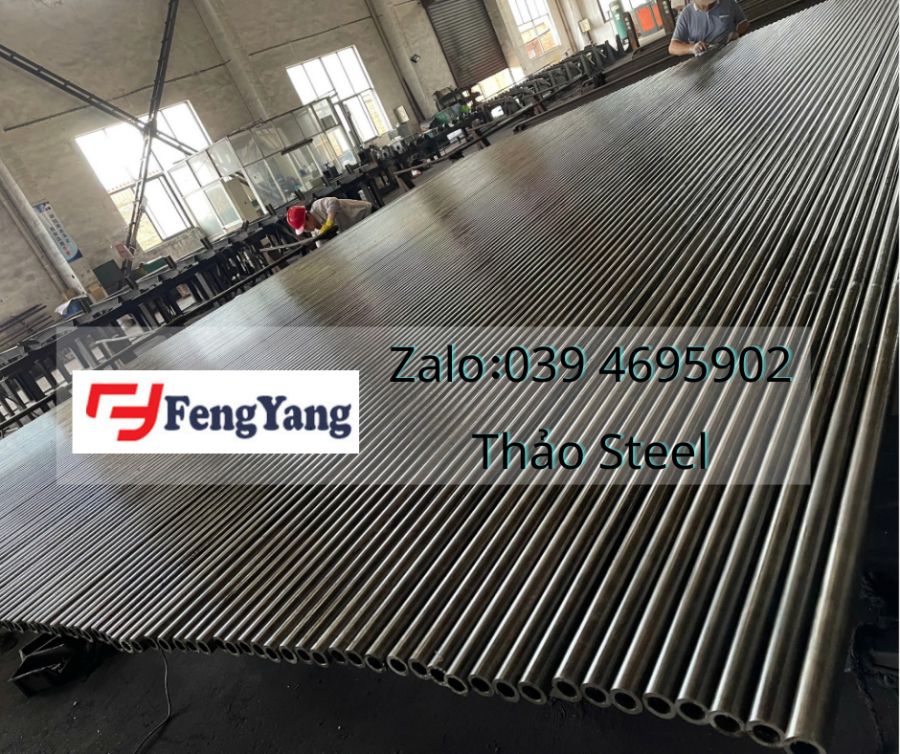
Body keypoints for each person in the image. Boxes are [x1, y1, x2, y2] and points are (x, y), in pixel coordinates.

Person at [668, 0, 749, 57]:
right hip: (706, 64)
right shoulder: (686, 14)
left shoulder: (728, 2)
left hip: (732, 53)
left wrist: (737, 33)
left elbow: (743, 23)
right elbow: (673, 47)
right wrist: (692, 47)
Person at [286, 196, 373, 240]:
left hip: (368, 215)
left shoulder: (318, 206)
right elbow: (322, 248)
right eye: (304, 230)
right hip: (357, 228)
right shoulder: (316, 233)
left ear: (308, 215)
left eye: (305, 226)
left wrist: (329, 221)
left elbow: (333, 201)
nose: (306, 230)